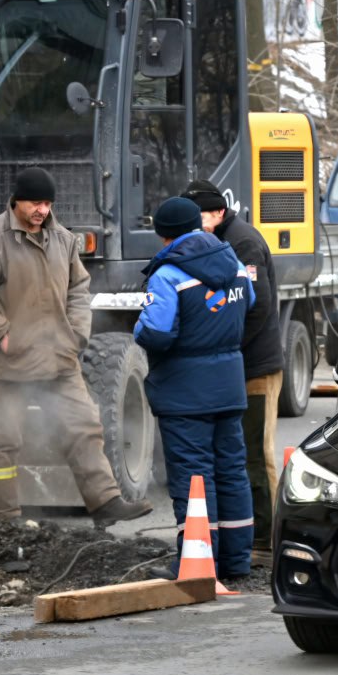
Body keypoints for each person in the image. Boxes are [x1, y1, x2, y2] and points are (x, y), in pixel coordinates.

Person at [0, 166, 154, 525]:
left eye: (47, 203)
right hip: (7, 364)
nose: (42, 211)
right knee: (3, 444)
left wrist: (76, 332)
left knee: (85, 428)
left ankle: (106, 503)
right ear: (16, 201)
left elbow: (79, 288)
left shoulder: (63, 239)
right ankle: (5, 521)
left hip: (60, 359)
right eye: (35, 203)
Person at [134, 197, 255, 579]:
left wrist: (136, 325)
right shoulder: (232, 261)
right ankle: (236, 561)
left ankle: (198, 561)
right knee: (232, 471)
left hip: (185, 393)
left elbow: (156, 334)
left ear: (162, 233)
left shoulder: (168, 273)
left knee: (194, 477)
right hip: (229, 385)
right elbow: (249, 301)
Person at [183, 180, 283, 559]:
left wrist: (225, 346)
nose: (196, 224)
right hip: (235, 364)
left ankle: (269, 540)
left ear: (219, 212)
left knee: (256, 454)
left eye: (201, 216)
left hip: (256, 366)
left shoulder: (243, 244)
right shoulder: (215, 242)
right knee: (237, 454)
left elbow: (256, 309)